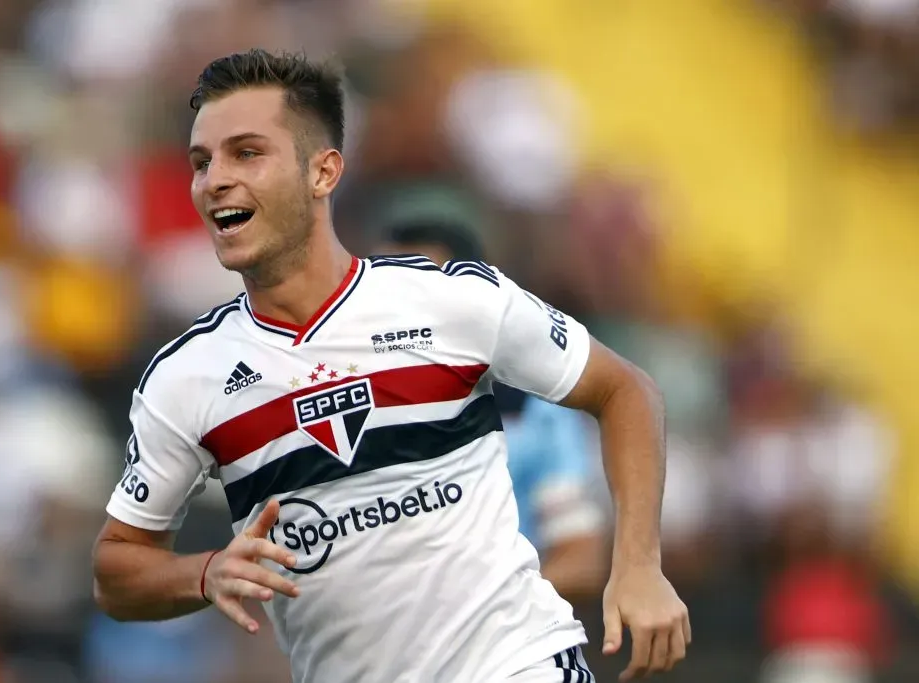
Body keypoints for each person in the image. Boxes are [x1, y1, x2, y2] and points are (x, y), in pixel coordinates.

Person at [92, 50, 690, 683]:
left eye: (246, 153)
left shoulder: (454, 300)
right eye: (202, 161)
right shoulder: (187, 377)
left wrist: (638, 566)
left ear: (322, 173)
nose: (214, 179)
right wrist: (204, 572)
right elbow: (117, 569)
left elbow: (625, 389)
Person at [374, 211, 608, 601]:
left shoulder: (537, 418)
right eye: (384, 292)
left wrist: (478, 608)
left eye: (419, 289)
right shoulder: (344, 410)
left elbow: (581, 559)